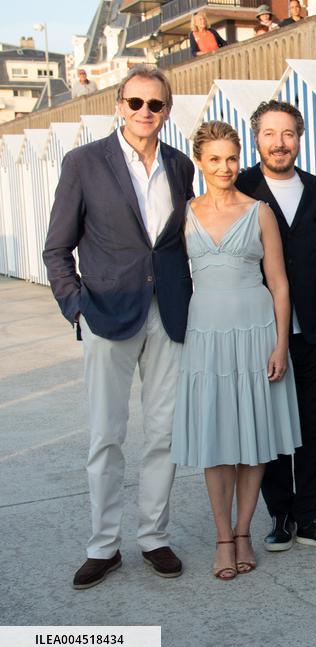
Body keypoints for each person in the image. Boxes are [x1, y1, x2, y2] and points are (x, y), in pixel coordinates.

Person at [43, 65, 195, 589]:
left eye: (155, 104)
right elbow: (57, 248)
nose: (144, 112)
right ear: (119, 105)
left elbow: (175, 242)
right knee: (106, 435)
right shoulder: (84, 162)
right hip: (107, 312)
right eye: (135, 102)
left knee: (164, 432)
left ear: (167, 110)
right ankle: (103, 546)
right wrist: (76, 306)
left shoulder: (180, 165)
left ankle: (153, 536)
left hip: (168, 313)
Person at [170, 120, 302, 580]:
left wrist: (281, 344)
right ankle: (223, 537)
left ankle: (244, 531)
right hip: (206, 333)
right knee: (217, 440)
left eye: (231, 158)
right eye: (214, 159)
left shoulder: (259, 212)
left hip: (255, 331)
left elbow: (279, 283)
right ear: (200, 162)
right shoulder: (184, 213)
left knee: (254, 438)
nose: (224, 167)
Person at [236, 101, 316, 553]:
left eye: (288, 133)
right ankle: (280, 514)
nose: (279, 143)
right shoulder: (241, 187)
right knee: (270, 424)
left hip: (312, 328)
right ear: (256, 139)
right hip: (260, 329)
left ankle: (313, 516)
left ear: (299, 138)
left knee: (315, 424)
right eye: (269, 133)